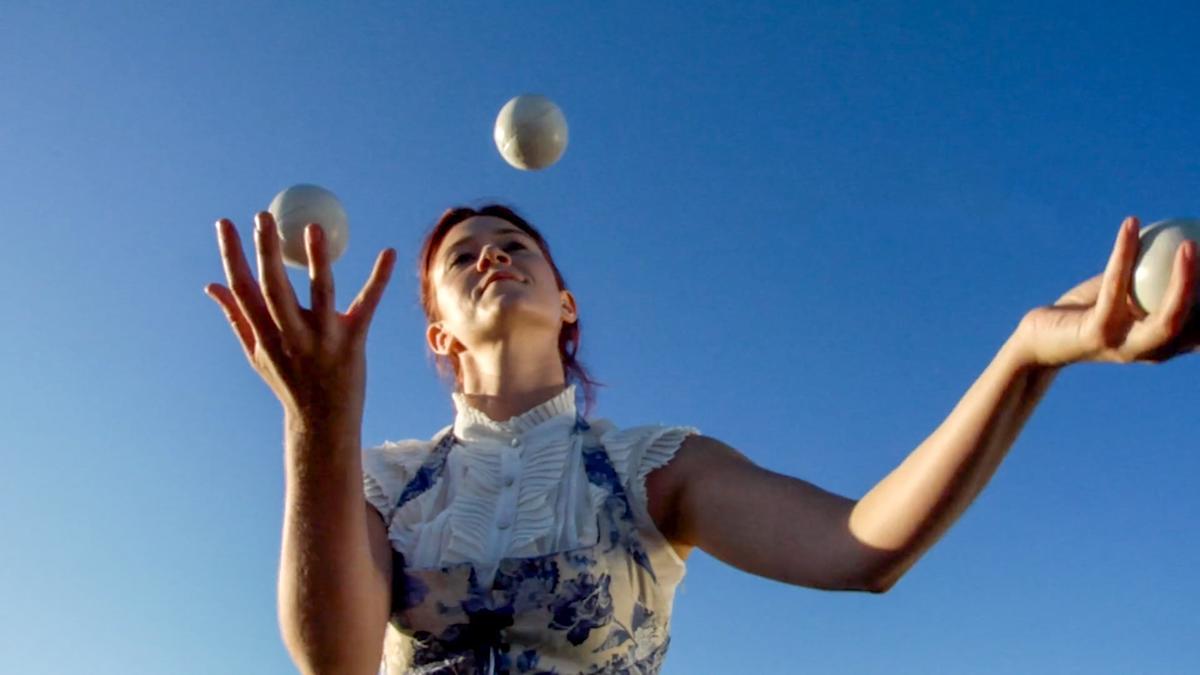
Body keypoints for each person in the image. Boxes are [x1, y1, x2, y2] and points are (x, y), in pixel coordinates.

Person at [204, 205, 1197, 675]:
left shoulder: (649, 468)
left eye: (517, 245)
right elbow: (332, 660)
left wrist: (1025, 354)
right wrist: (319, 423)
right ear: (438, 337)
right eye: (462, 255)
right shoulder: (383, 480)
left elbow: (860, 547)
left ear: (567, 303)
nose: (492, 254)